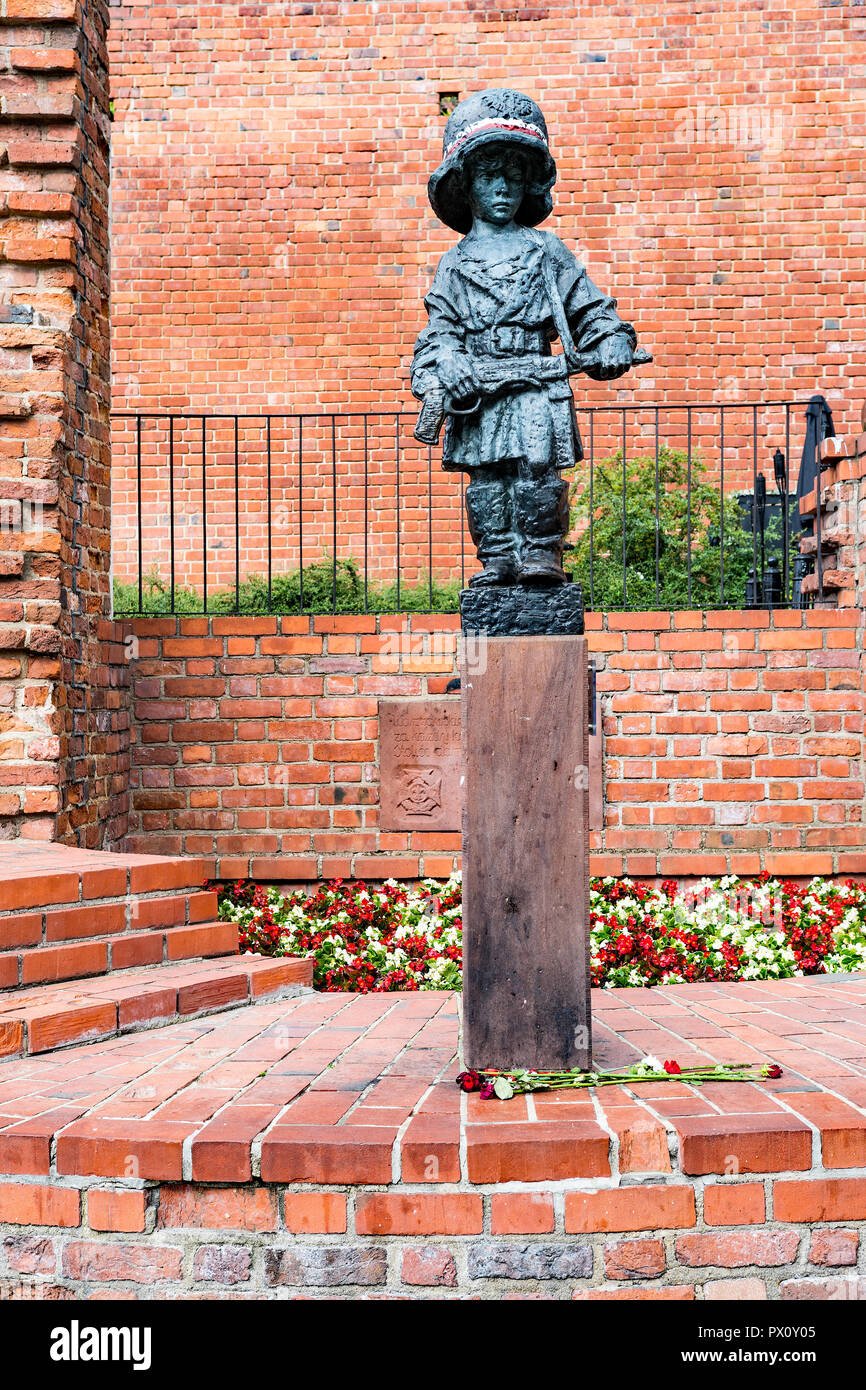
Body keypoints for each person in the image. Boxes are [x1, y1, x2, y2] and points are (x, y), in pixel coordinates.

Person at [412, 88, 643, 587]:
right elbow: (439, 333)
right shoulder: (453, 264)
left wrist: (610, 339)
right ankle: (496, 558)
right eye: (489, 177)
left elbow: (590, 307)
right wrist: (448, 363)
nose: (502, 189)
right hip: (480, 390)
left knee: (538, 472)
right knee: (487, 478)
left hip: (538, 383)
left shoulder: (546, 250)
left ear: (528, 187)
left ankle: (540, 554)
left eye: (513, 179)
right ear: (466, 186)